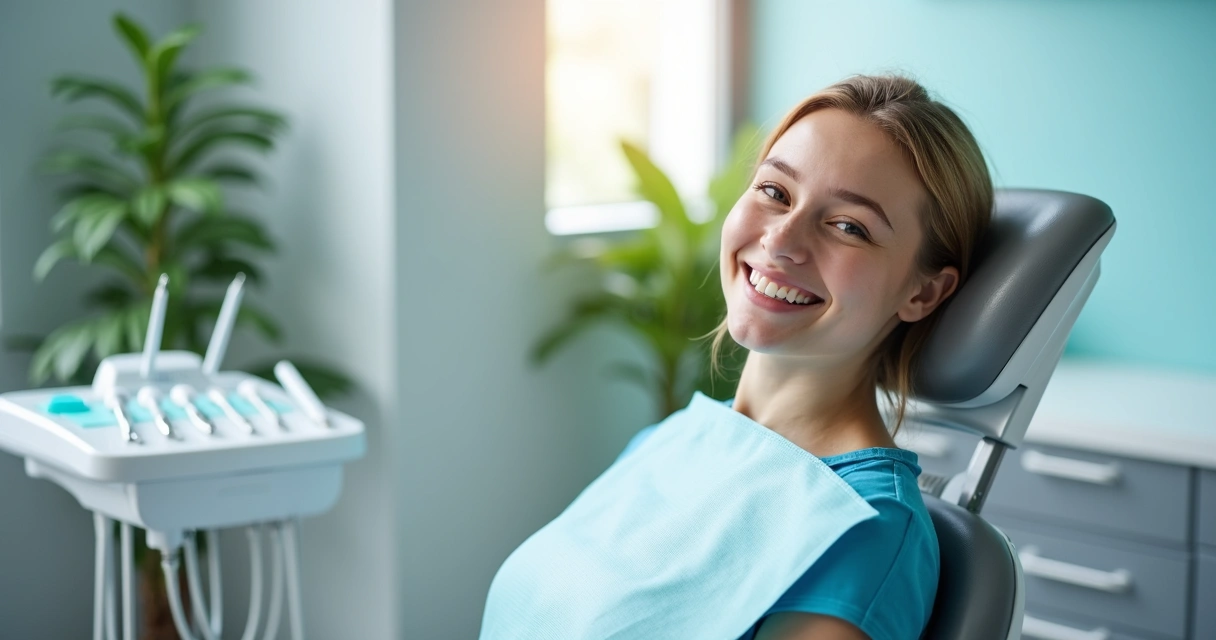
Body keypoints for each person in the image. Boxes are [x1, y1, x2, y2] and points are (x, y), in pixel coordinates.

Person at [485, 74, 993, 640]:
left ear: (923, 292)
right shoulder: (673, 438)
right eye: (775, 192)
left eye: (849, 226)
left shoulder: (864, 529)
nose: (781, 241)